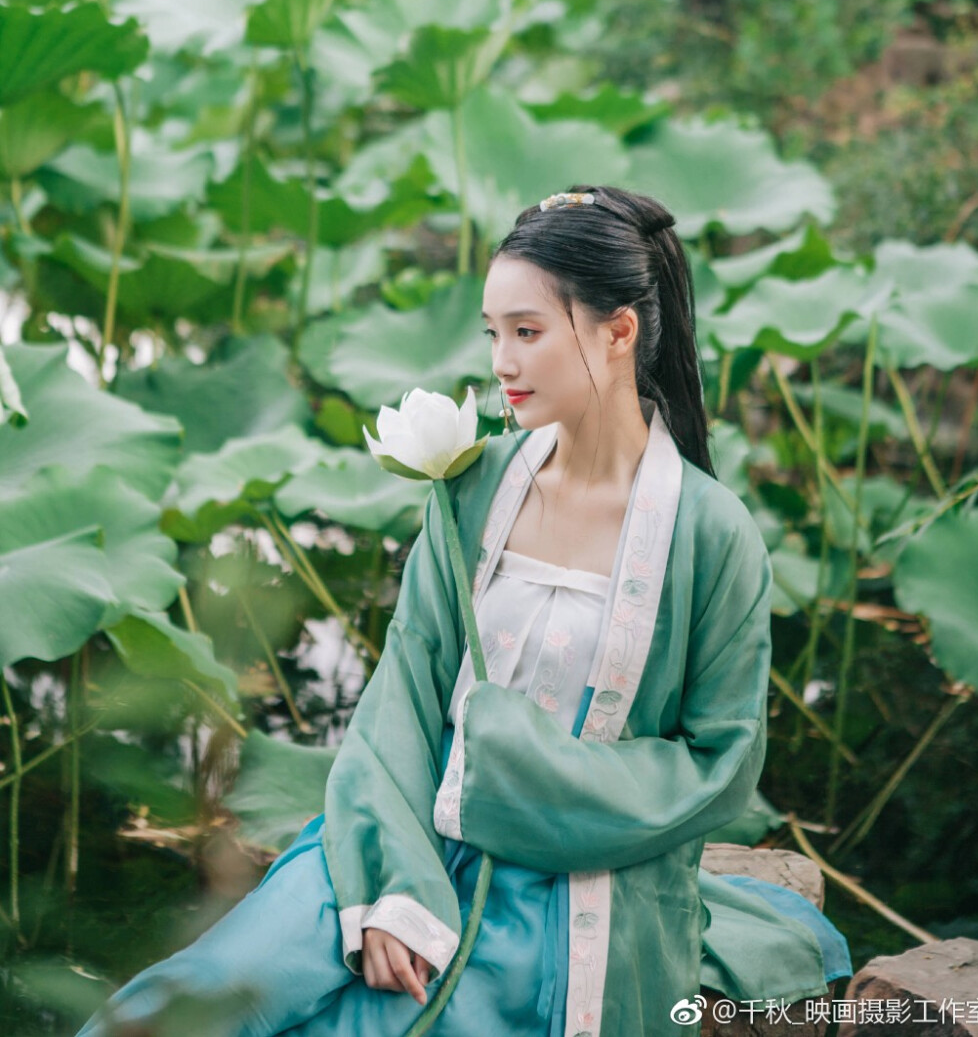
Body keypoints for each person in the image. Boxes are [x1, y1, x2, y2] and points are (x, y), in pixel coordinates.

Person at [76, 184, 851, 1037]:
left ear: (618, 331)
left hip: (571, 871)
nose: (501, 363)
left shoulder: (711, 534)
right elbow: (401, 698)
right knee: (203, 1001)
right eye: (494, 334)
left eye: (528, 332)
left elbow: (722, 761)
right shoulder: (473, 488)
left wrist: (516, 774)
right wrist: (392, 892)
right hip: (404, 822)